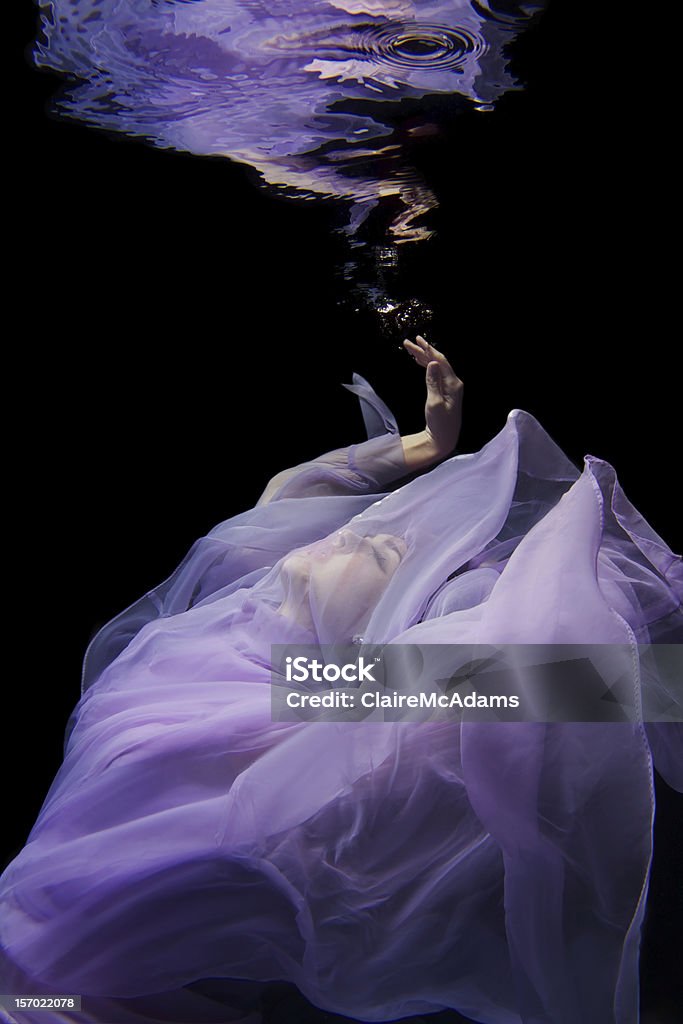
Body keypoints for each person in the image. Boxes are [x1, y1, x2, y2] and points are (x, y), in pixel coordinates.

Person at [0, 340, 681, 1024]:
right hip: (39, 948)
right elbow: (296, 492)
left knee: (40, 991)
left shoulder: (323, 685)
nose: (370, 533)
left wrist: (573, 579)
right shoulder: (242, 584)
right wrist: (425, 445)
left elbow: (576, 684)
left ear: (371, 628)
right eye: (367, 532)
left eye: (392, 555)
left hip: (74, 976)